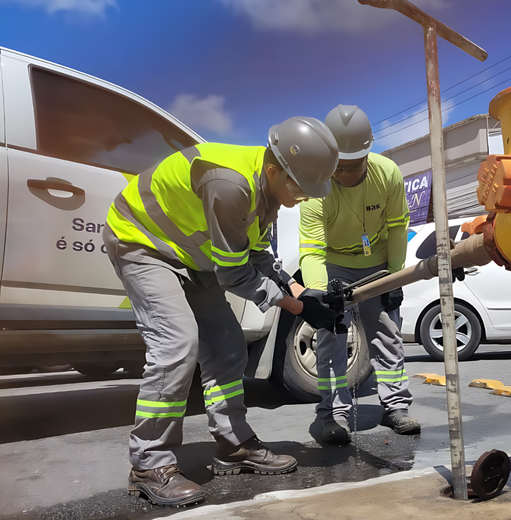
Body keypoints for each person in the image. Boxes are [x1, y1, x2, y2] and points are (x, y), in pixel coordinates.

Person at [103, 117, 343, 507]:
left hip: (190, 256)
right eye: (301, 187)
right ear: (274, 171)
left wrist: (302, 291)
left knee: (228, 345)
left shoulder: (266, 191)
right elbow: (235, 275)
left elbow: (259, 255)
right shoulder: (231, 185)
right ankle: (149, 462)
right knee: (177, 343)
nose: (306, 197)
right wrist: (298, 308)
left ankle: (233, 444)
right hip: (142, 242)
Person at [298, 105, 419, 445]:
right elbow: (311, 249)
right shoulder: (316, 185)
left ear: (368, 152)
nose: (344, 174)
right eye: (338, 166)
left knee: (387, 332)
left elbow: (397, 228)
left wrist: (395, 278)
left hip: (377, 263)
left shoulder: (388, 174)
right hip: (333, 264)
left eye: (353, 166)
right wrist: (322, 294)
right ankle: (332, 414)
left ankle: (395, 406)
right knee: (331, 337)